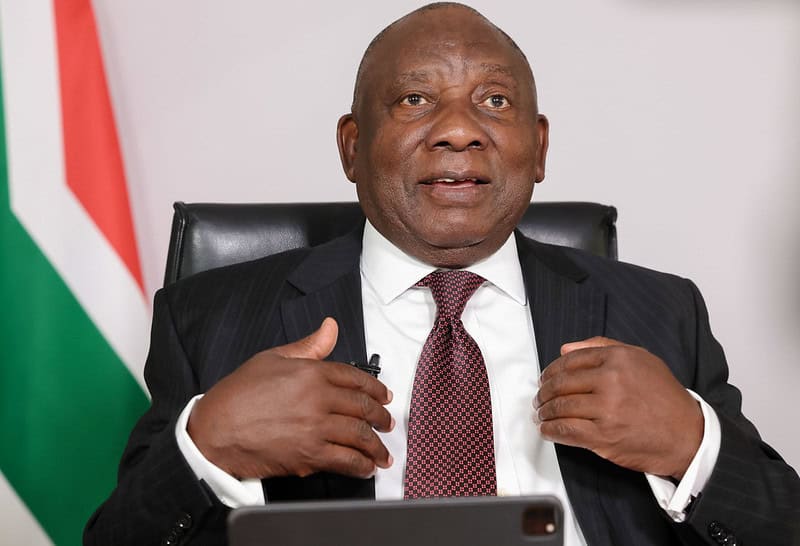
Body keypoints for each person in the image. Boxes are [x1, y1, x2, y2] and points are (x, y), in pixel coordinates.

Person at [84, 3, 800, 545]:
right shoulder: (210, 318)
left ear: (539, 146)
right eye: (415, 100)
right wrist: (207, 444)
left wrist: (691, 445)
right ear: (352, 147)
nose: (460, 129)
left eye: (495, 101)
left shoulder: (661, 310)